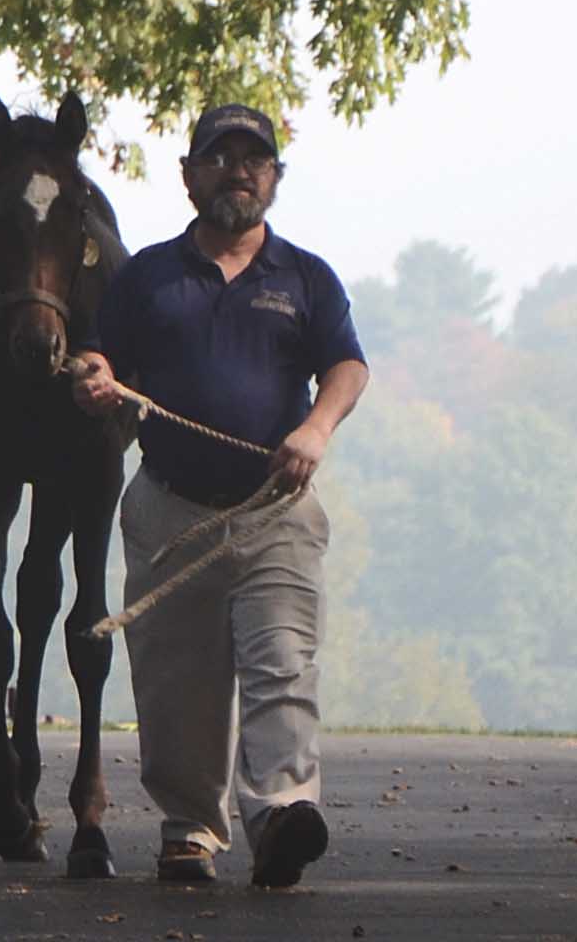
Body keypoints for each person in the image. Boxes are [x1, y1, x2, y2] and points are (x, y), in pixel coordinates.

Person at [66, 103, 367, 891]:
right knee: (179, 685)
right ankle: (190, 830)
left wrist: (316, 429)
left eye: (255, 160)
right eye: (222, 158)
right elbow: (101, 353)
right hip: (171, 511)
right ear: (189, 175)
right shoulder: (148, 277)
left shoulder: (305, 277)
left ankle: (282, 815)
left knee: (284, 664)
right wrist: (95, 374)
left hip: (275, 513)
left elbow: (347, 367)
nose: (240, 171)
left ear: (274, 178)